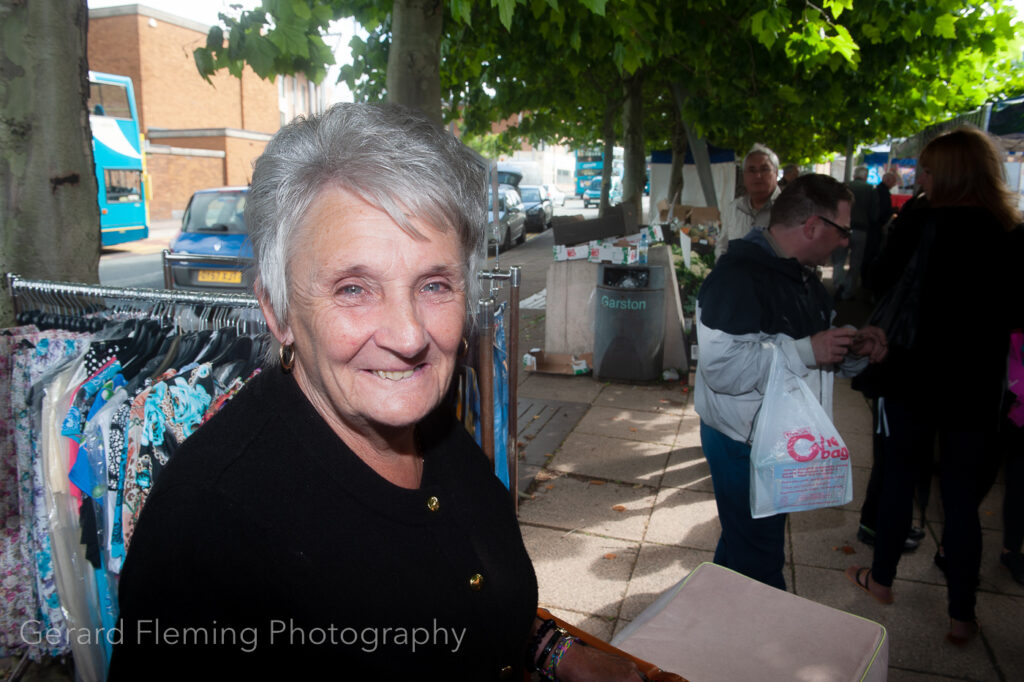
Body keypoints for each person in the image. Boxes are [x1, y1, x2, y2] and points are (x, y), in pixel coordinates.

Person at [109, 103, 650, 680]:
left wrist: (555, 654)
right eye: (353, 289)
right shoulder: (206, 531)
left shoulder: (433, 427)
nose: (410, 335)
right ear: (279, 312)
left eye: (435, 284)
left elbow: (466, 599)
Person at [844, 126, 1023, 646]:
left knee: (900, 473)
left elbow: (879, 278)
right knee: (963, 500)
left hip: (912, 368)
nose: (917, 177)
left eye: (924, 169)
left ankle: (881, 581)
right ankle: (961, 615)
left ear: (944, 173)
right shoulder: (1008, 231)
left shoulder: (921, 219)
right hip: (976, 379)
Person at [694, 174, 888, 589]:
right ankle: (758, 649)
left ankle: (707, 615)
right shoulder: (737, 278)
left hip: (772, 442)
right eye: (841, 230)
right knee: (760, 569)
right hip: (741, 443)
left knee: (743, 548)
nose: (845, 242)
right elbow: (722, 371)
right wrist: (807, 350)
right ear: (812, 226)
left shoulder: (801, 278)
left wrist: (851, 349)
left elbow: (812, 355)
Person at [716, 144, 782, 260]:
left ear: (776, 173)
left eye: (764, 169)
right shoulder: (734, 209)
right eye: (751, 170)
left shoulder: (789, 208)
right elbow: (722, 246)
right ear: (744, 176)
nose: (758, 175)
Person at [831, 166, 879, 300]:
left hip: (842, 228)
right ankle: (848, 290)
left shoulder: (844, 187)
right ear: (866, 176)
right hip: (861, 229)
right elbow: (874, 212)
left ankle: (838, 286)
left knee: (839, 259)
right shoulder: (870, 189)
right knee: (855, 262)